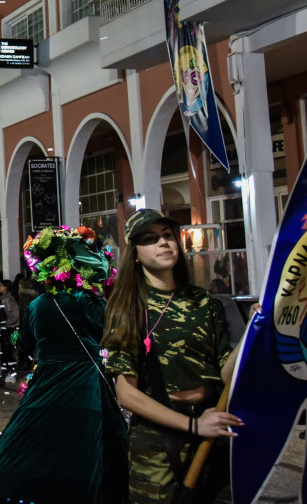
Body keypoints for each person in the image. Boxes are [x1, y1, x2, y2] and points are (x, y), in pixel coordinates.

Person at [0, 226, 129, 503]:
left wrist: (14, 335)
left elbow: (22, 345)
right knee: (89, 446)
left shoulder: (36, 306)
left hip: (46, 382)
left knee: (33, 443)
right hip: (86, 383)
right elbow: (114, 332)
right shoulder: (87, 301)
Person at [103, 209, 251, 503]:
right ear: (135, 252)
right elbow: (126, 395)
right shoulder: (127, 307)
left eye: (168, 235)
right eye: (151, 239)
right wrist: (193, 425)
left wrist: (251, 334)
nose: (163, 243)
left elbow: (225, 373)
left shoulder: (204, 302)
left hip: (212, 432)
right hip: (157, 443)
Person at [0, 279, 20, 381]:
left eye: (1, 286)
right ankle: (7, 369)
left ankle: (12, 373)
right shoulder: (2, 299)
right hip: (6, 328)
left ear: (5, 287)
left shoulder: (9, 300)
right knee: (5, 351)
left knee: (9, 351)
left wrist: (5, 323)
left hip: (10, 328)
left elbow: (15, 316)